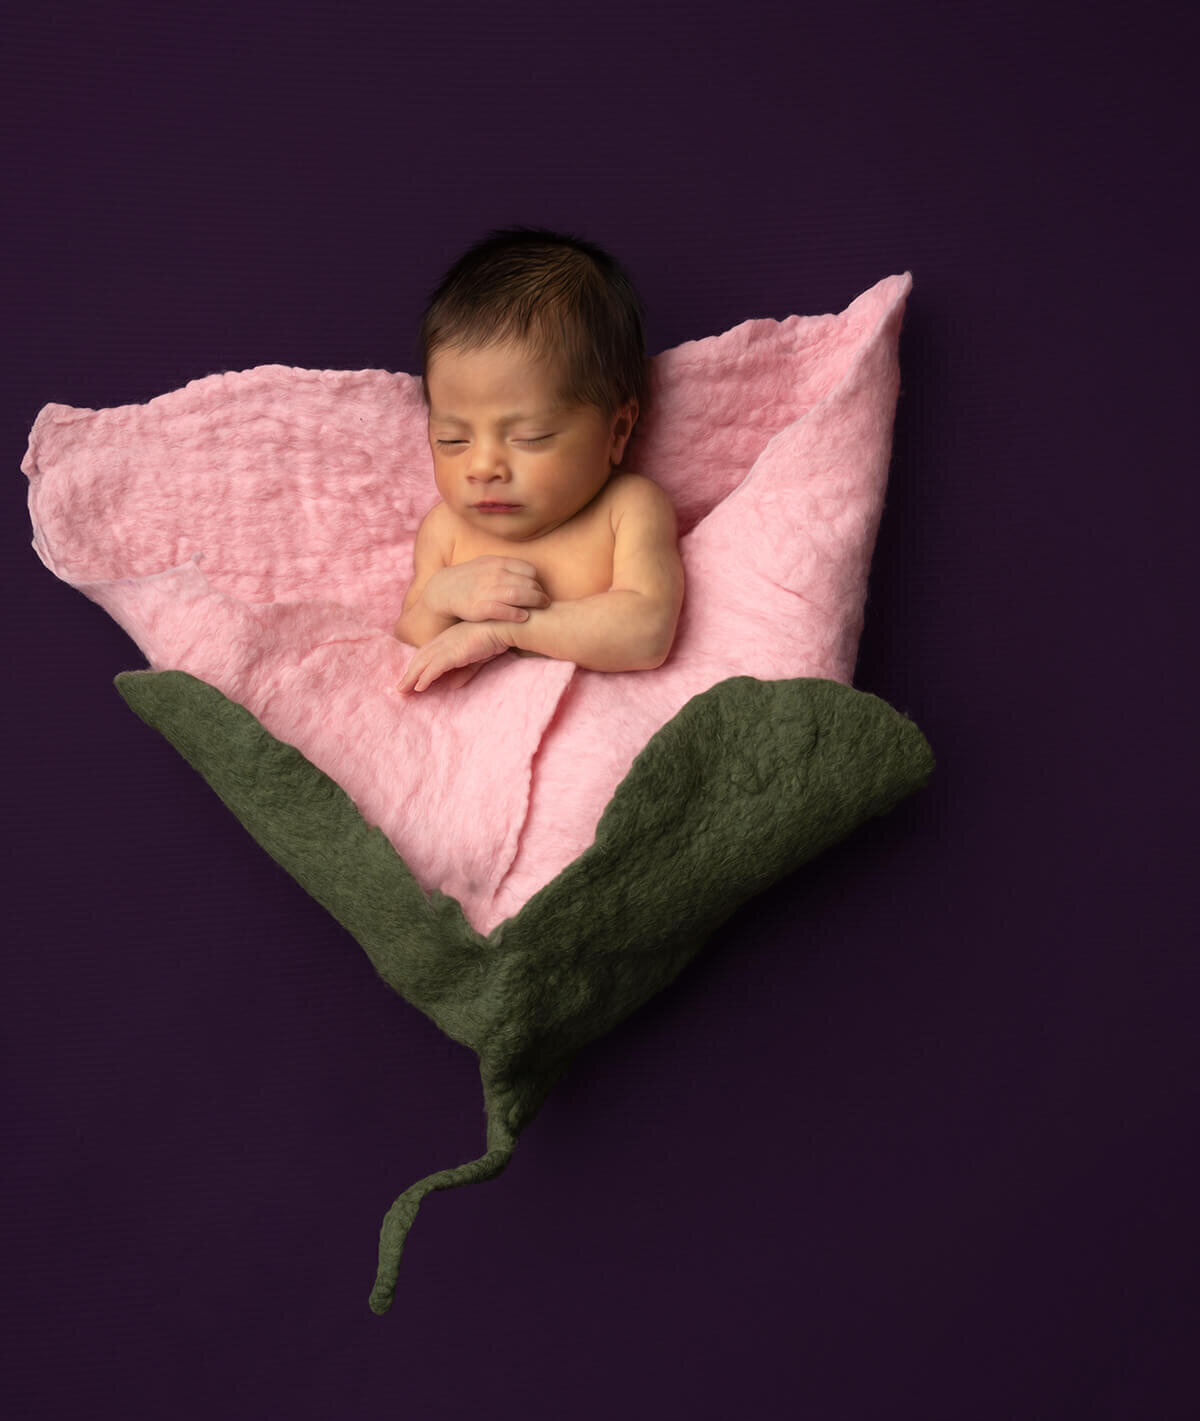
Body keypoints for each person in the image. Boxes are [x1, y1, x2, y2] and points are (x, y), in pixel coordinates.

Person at [395, 227, 684, 693]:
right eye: (452, 440)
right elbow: (410, 641)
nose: (483, 466)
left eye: (530, 437)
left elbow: (647, 632)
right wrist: (438, 600)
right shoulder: (444, 529)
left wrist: (502, 630)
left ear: (618, 430)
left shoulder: (628, 508)